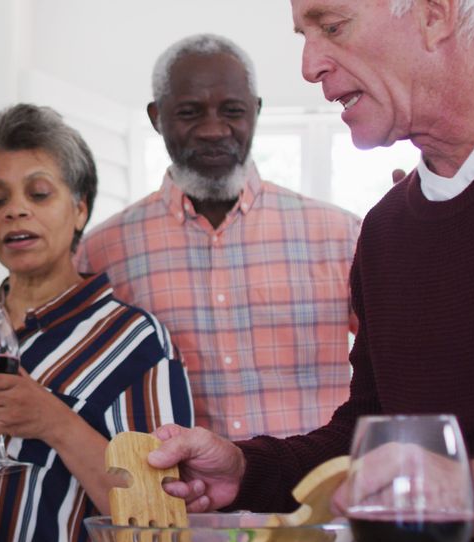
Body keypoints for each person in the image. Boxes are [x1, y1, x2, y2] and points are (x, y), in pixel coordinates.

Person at [147, 0, 474, 542]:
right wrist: (245, 469)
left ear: (434, 13)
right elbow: (366, 439)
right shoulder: (386, 230)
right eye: (304, 33)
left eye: (332, 25)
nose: (308, 64)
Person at [0, 104, 194, 542]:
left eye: (40, 193)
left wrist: (55, 422)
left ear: (80, 208)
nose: (15, 210)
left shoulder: (136, 341)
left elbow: (158, 520)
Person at [76, 34, 361, 440]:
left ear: (256, 113)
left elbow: (398, 368)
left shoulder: (340, 236)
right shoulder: (102, 252)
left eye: (232, 110)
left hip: (313, 499)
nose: (213, 130)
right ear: (157, 117)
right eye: (190, 112)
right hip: (177, 500)